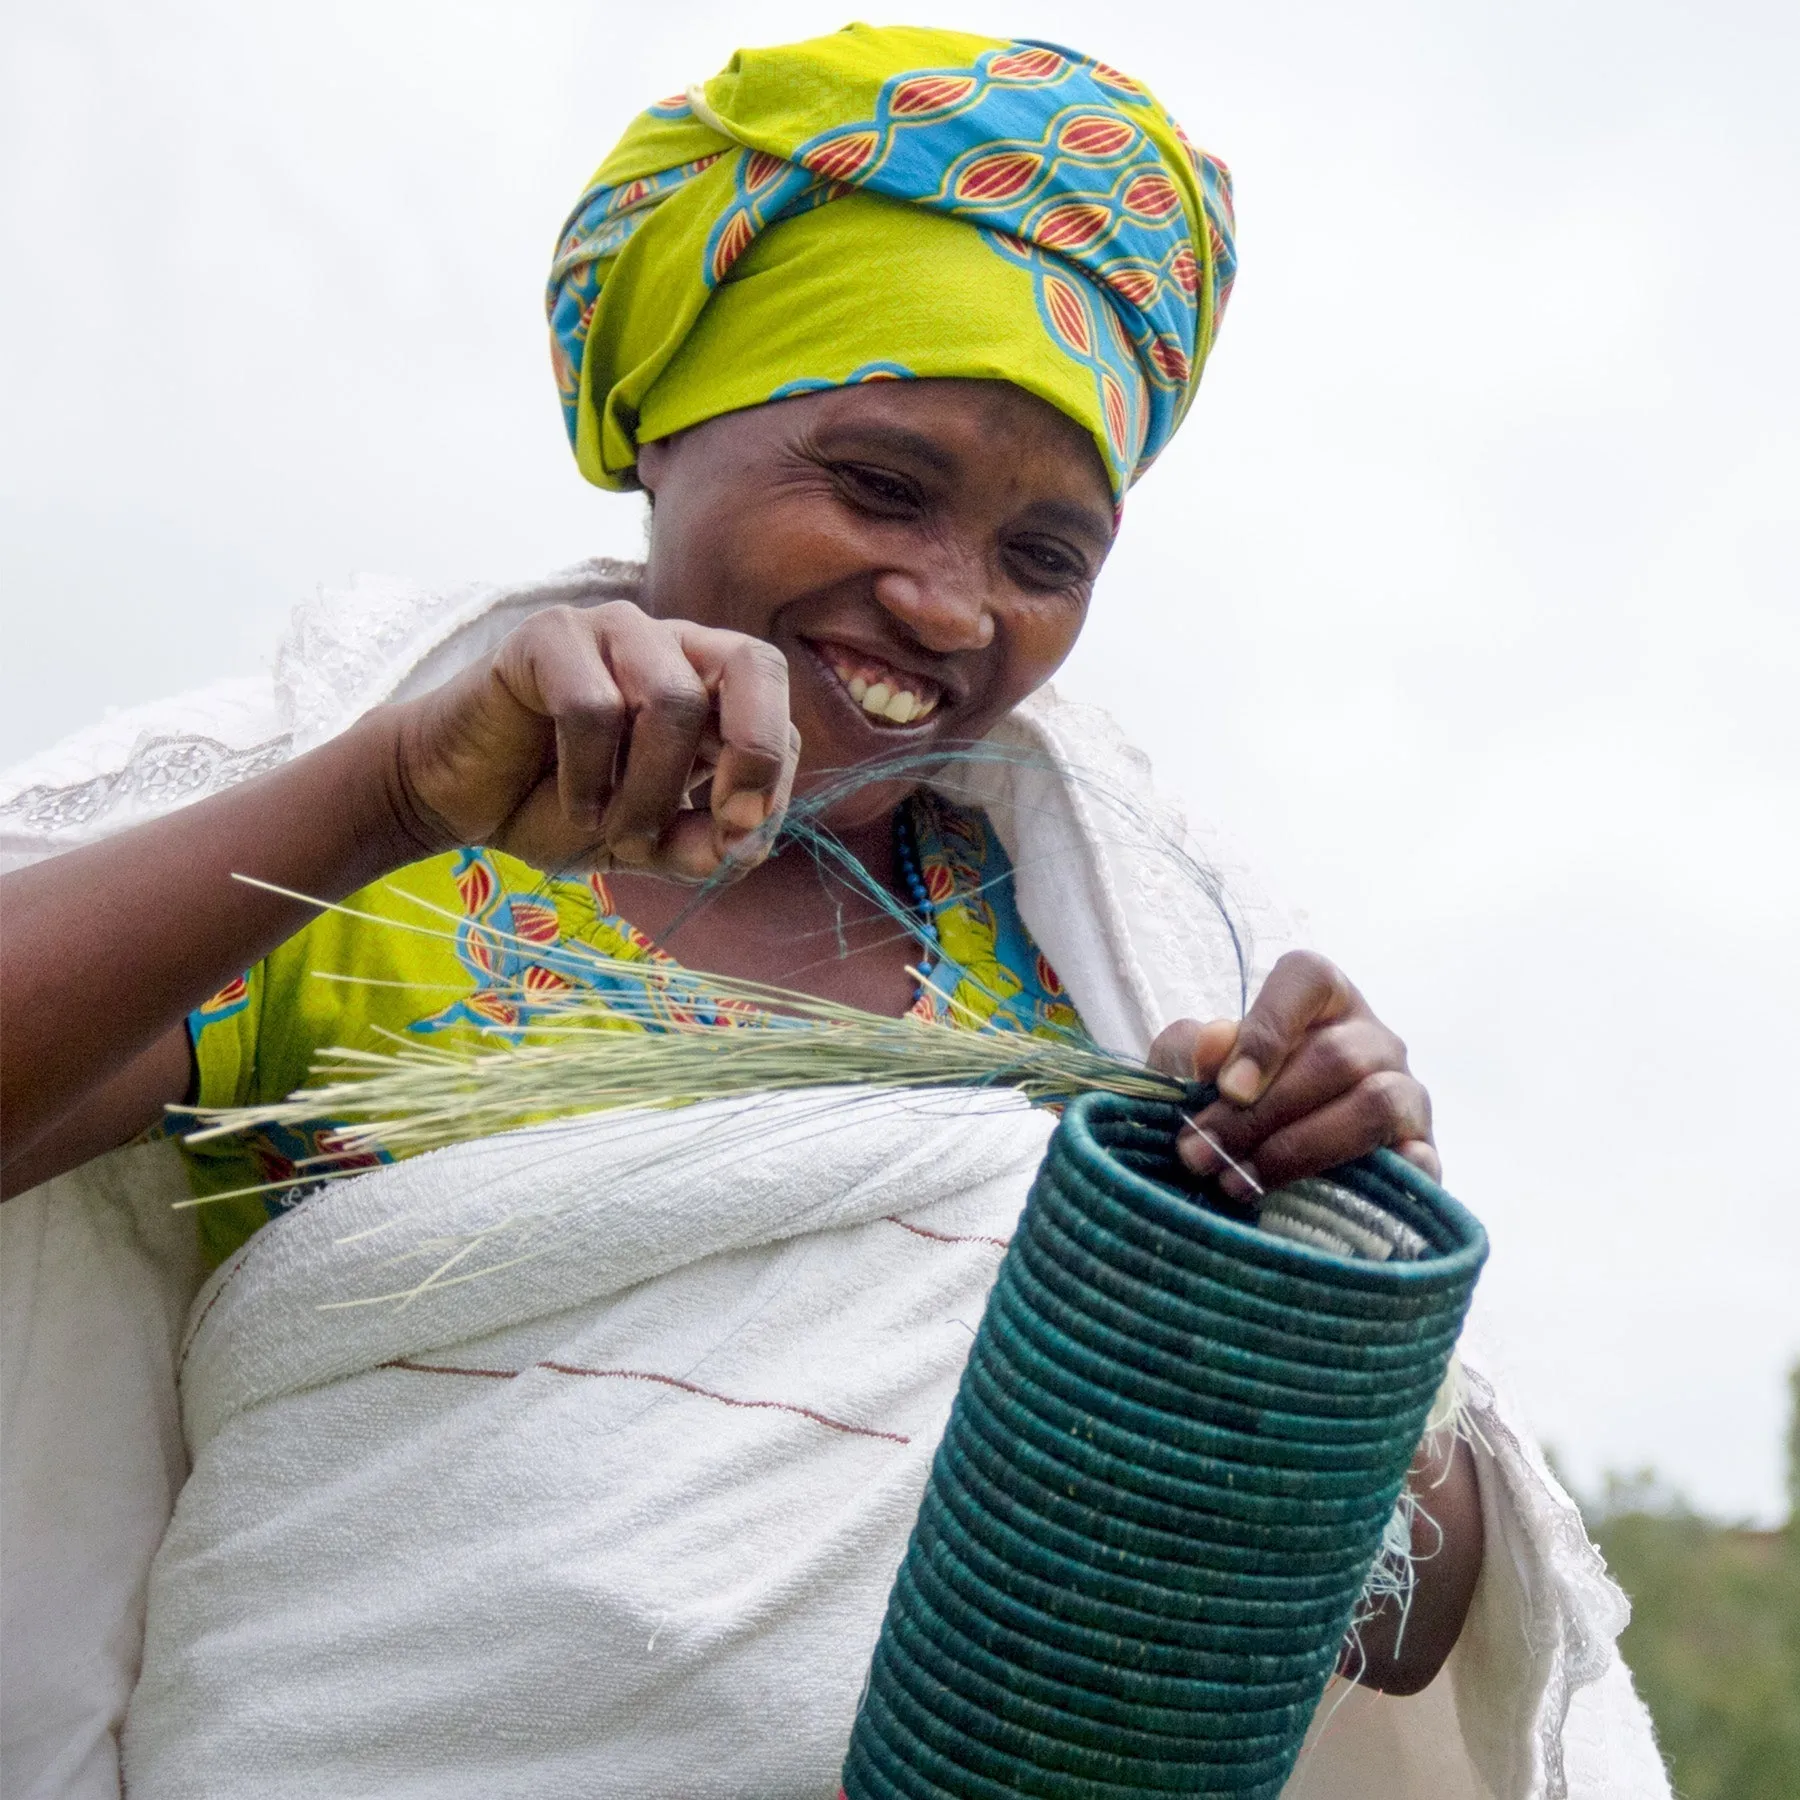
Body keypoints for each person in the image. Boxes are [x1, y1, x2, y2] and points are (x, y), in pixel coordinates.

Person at [0, 24, 1667, 1800]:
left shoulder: (1108, 991)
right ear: (661, 426)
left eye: (1047, 558)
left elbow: (1392, 1647)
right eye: (878, 484)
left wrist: (1324, 1293)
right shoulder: (353, 860)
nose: (955, 606)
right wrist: (384, 796)